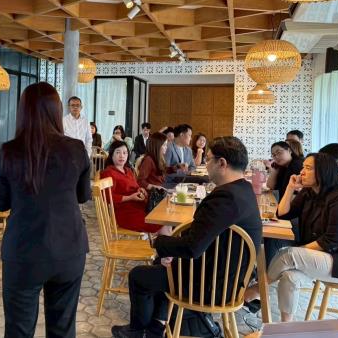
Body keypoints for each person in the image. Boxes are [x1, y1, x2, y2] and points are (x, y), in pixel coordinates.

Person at [111, 137, 262, 338]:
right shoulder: (244, 190)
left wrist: (158, 242)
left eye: (208, 160)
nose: (206, 164)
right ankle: (156, 325)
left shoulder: (224, 198)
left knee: (139, 276)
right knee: (163, 264)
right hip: (229, 278)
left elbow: (192, 247)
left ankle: (138, 332)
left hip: (212, 285)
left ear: (222, 163)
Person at [0, 82, 90, 338]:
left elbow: (0, 203)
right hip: (69, 248)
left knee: (18, 330)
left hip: (23, 251)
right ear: (57, 111)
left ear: (22, 112)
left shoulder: (8, 151)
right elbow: (83, 196)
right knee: (63, 329)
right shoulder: (76, 149)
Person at [245, 153, 338, 323]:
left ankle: (256, 290)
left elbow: (329, 242)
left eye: (308, 168)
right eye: (303, 167)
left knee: (288, 255)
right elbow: (283, 214)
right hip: (326, 256)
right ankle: (286, 326)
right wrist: (290, 188)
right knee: (289, 276)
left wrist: (297, 254)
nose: (302, 172)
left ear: (323, 171)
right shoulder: (310, 193)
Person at [100, 141, 169, 235]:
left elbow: (136, 187)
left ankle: (161, 242)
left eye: (125, 153)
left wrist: (141, 190)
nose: (122, 156)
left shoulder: (128, 170)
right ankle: (162, 242)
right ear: (111, 154)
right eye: (118, 152)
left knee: (165, 218)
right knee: (160, 221)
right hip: (125, 213)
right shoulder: (108, 173)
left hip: (139, 207)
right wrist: (130, 197)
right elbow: (107, 197)